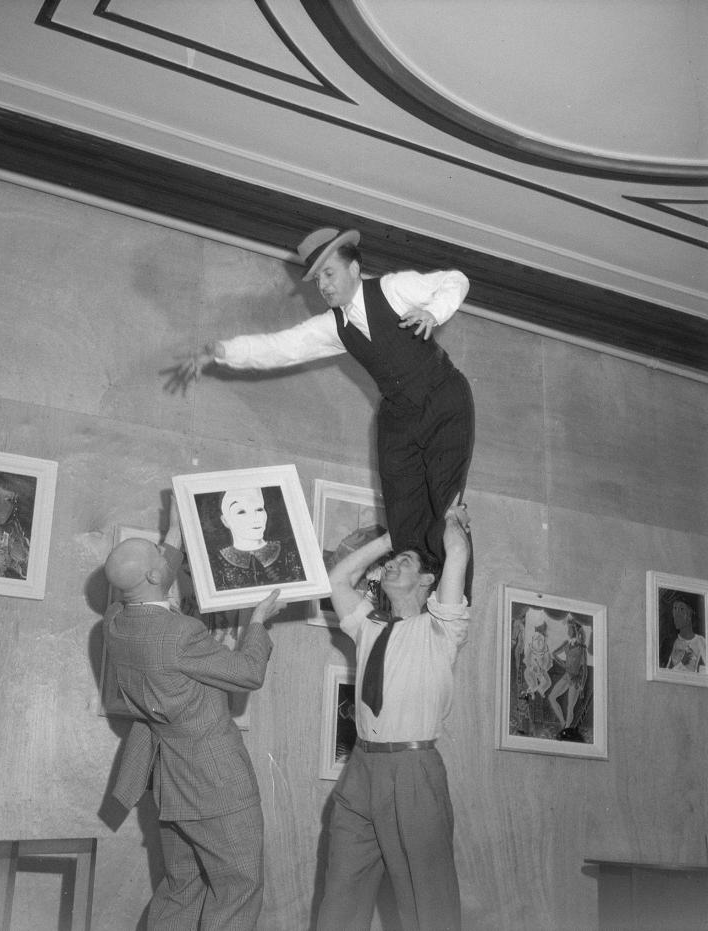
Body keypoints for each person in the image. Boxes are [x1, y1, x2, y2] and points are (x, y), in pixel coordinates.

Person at [166, 227, 474, 583]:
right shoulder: (334, 326)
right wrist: (220, 351)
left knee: (445, 503)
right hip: (400, 414)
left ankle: (454, 596)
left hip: (443, 398)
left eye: (329, 273)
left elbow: (455, 279)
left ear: (355, 269)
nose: (323, 285)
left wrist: (435, 313)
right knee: (402, 510)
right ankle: (412, 592)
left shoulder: (393, 289)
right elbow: (282, 347)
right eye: (317, 280)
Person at [102, 496, 282, 930]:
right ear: (152, 575)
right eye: (158, 559)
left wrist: (177, 528)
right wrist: (259, 622)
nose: (165, 561)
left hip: (171, 784)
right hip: (216, 781)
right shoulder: (178, 634)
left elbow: (158, 567)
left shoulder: (114, 621)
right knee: (237, 890)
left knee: (181, 890)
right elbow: (247, 672)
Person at [314, 503, 472, 931]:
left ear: (427, 581)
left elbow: (455, 556)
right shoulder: (368, 626)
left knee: (428, 903)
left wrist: (451, 527)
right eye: (390, 561)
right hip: (362, 769)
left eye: (406, 561)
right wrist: (389, 540)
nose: (392, 564)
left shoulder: (442, 629)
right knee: (340, 897)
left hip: (413, 770)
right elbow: (335, 580)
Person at [205, 486, 305, 590]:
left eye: (259, 509)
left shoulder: (290, 551)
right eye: (241, 511)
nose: (254, 517)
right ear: (225, 521)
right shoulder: (214, 562)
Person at [547, 619, 588, 736]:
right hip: (566, 676)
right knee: (551, 697)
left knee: (570, 707)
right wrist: (563, 663)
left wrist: (582, 686)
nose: (568, 630)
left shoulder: (582, 648)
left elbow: (585, 669)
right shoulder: (566, 644)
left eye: (570, 628)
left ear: (575, 630)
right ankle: (563, 722)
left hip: (576, 680)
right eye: (568, 628)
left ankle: (567, 728)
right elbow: (554, 654)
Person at [665, 598, 706, 673]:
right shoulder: (674, 643)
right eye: (675, 608)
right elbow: (666, 673)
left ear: (690, 614)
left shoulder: (701, 641)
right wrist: (682, 663)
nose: (677, 613)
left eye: (681, 608)